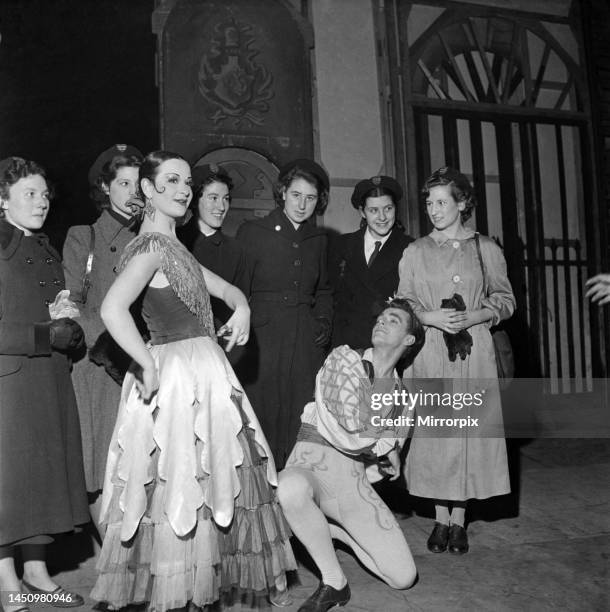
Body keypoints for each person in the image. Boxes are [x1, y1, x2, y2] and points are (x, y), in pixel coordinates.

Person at [90, 151, 296, 612]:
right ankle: (181, 592)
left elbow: (227, 290)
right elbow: (110, 310)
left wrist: (242, 306)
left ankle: (198, 591)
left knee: (214, 479)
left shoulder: (174, 246)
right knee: (182, 481)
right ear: (148, 189)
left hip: (205, 371)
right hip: (179, 376)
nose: (185, 189)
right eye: (172, 180)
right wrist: (144, 363)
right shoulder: (148, 248)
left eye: (187, 181)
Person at [277, 297, 423, 612]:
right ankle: (334, 582)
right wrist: (386, 444)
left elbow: (382, 451)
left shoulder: (403, 399)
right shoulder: (342, 360)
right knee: (289, 488)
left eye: (393, 319)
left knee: (403, 577)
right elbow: (352, 429)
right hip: (310, 466)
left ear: (409, 340)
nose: (381, 321)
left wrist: (388, 448)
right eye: (381, 316)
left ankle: (334, 533)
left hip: (350, 484)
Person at [397, 166, 515, 554]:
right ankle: (439, 518)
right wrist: (427, 317)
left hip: (473, 354)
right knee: (436, 436)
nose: (434, 210)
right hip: (431, 352)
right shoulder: (415, 251)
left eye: (442, 202)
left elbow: (505, 299)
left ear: (462, 203)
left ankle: (459, 520)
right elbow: (404, 302)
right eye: (429, 203)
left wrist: (479, 314)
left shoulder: (487, 248)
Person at [0, 157, 88, 611]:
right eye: (29, 194)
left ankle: (36, 570)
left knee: (44, 479)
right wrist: (44, 336)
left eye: (44, 194)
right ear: (3, 200)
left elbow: (57, 312)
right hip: (10, 387)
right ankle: (5, 578)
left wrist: (71, 334)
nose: (41, 202)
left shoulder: (48, 250)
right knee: (11, 483)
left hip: (50, 378)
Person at [62, 144, 142, 526]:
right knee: (101, 468)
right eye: (123, 183)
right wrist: (115, 341)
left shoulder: (153, 238)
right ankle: (114, 561)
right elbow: (70, 303)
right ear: (105, 188)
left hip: (143, 363)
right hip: (100, 365)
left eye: (138, 183)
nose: (132, 192)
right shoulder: (84, 237)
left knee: (140, 466)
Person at [236, 158, 333, 467]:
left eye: (311, 198)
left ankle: (295, 487)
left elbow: (325, 291)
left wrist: (322, 322)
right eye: (296, 195)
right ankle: (263, 489)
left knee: (300, 409)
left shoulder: (318, 240)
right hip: (263, 336)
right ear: (282, 193)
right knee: (262, 409)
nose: (302, 205)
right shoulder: (254, 232)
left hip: (305, 337)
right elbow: (238, 288)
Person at [330, 175, 414, 350]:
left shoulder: (411, 247)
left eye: (388, 208)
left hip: (388, 347)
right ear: (362, 212)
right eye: (373, 210)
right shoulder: (341, 245)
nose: (382, 217)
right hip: (344, 345)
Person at [178, 163, 247, 368]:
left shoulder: (236, 251)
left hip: (218, 356)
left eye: (226, 199)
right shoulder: (174, 242)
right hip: (178, 352)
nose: (221, 207)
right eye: (213, 198)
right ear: (194, 199)